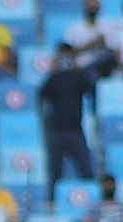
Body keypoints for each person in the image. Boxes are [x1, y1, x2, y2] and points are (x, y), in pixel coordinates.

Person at [39, 43, 96, 194]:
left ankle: (92, 200)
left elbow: (91, 88)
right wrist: (53, 69)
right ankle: (53, 203)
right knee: (55, 173)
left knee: (86, 171)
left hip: (76, 130)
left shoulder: (78, 77)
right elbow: (42, 93)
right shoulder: (55, 78)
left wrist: (78, 68)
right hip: (57, 130)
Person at [63, 0, 116, 77]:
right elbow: (67, 52)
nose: (92, 8)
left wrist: (104, 44)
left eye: (94, 6)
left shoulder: (107, 27)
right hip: (80, 67)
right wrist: (92, 44)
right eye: (90, 6)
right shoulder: (74, 28)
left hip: (102, 67)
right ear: (84, 7)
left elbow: (114, 51)